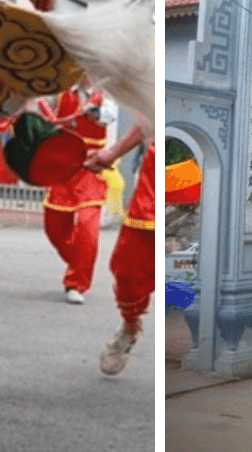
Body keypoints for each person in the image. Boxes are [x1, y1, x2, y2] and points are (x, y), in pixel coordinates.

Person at [38, 86, 110, 304]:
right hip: (62, 166)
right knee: (54, 228)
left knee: (88, 228)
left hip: (90, 167)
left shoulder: (104, 93)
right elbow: (38, 105)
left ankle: (76, 282)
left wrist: (95, 112)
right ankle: (79, 263)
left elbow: (107, 115)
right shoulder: (59, 91)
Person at [93, 126, 153, 375]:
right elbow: (147, 118)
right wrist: (111, 154)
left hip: (194, 179)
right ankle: (129, 326)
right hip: (151, 191)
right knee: (127, 271)